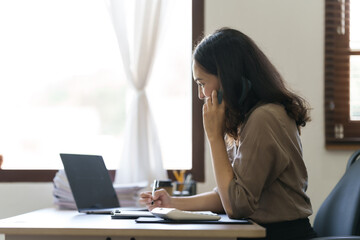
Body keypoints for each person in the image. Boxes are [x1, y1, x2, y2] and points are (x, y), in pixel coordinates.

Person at [139, 27, 317, 240]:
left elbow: (236, 205)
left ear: (226, 77)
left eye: (202, 83)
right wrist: (172, 202)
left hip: (283, 235)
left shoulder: (264, 118)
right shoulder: (250, 119)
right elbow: (227, 195)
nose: (200, 94)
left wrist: (214, 137)